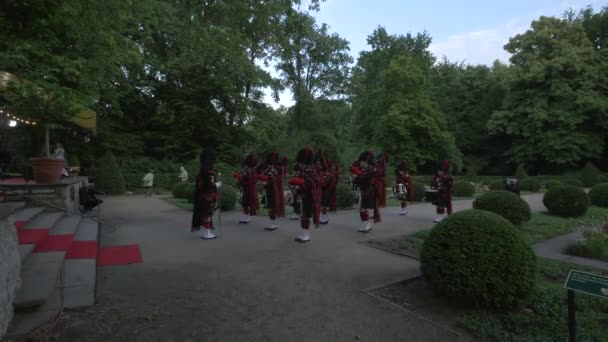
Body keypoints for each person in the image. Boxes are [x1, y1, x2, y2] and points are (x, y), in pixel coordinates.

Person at [288, 147, 323, 243]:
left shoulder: (311, 172)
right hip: (300, 196)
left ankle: (306, 234)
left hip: (308, 197)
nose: (300, 165)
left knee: (305, 216)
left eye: (302, 163)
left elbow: (310, 184)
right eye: (300, 163)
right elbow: (294, 180)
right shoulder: (300, 171)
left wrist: (299, 187)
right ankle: (303, 233)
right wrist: (293, 188)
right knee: (302, 216)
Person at [350, 150, 385, 233]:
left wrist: (356, 177)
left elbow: (363, 179)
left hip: (368, 192)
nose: (360, 163)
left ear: (366, 161)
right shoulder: (366, 170)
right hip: (365, 191)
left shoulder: (371, 170)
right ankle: (367, 225)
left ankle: (367, 225)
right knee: (362, 209)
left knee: (362, 209)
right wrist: (356, 178)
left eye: (362, 162)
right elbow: (359, 180)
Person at [191, 149, 221, 240]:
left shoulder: (202, 172)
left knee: (205, 214)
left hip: (202, 197)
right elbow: (209, 186)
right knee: (207, 215)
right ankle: (207, 233)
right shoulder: (209, 173)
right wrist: (218, 184)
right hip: (208, 197)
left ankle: (206, 232)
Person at [256, 151, 287, 231]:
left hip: (274, 192)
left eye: (270, 164)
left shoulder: (276, 171)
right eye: (269, 164)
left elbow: (276, 180)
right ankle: (272, 223)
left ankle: (273, 224)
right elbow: (261, 174)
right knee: (270, 207)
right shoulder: (267, 170)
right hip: (268, 191)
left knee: (273, 207)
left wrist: (267, 182)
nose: (269, 166)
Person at [233, 153, 261, 224]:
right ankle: (246, 216)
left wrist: (239, 179)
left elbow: (248, 180)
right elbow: (244, 177)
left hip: (249, 189)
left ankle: (247, 216)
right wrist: (239, 178)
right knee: (246, 203)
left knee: (247, 203)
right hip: (248, 188)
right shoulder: (249, 169)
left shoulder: (251, 170)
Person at [316, 149, 338, 225]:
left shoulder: (329, 172)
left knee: (324, 204)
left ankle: (324, 218)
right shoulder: (322, 169)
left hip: (327, 189)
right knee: (322, 204)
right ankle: (323, 218)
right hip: (323, 188)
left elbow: (333, 180)